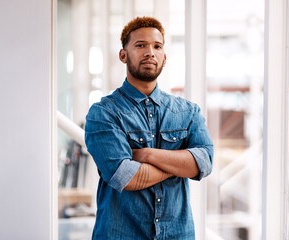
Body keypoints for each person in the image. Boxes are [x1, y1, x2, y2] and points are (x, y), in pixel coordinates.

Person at [85, 16, 213, 240]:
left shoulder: (188, 112)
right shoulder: (103, 113)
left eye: (157, 46)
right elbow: (126, 177)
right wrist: (180, 163)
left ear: (164, 57)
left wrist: (147, 155)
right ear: (123, 55)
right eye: (140, 45)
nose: (150, 52)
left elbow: (204, 162)